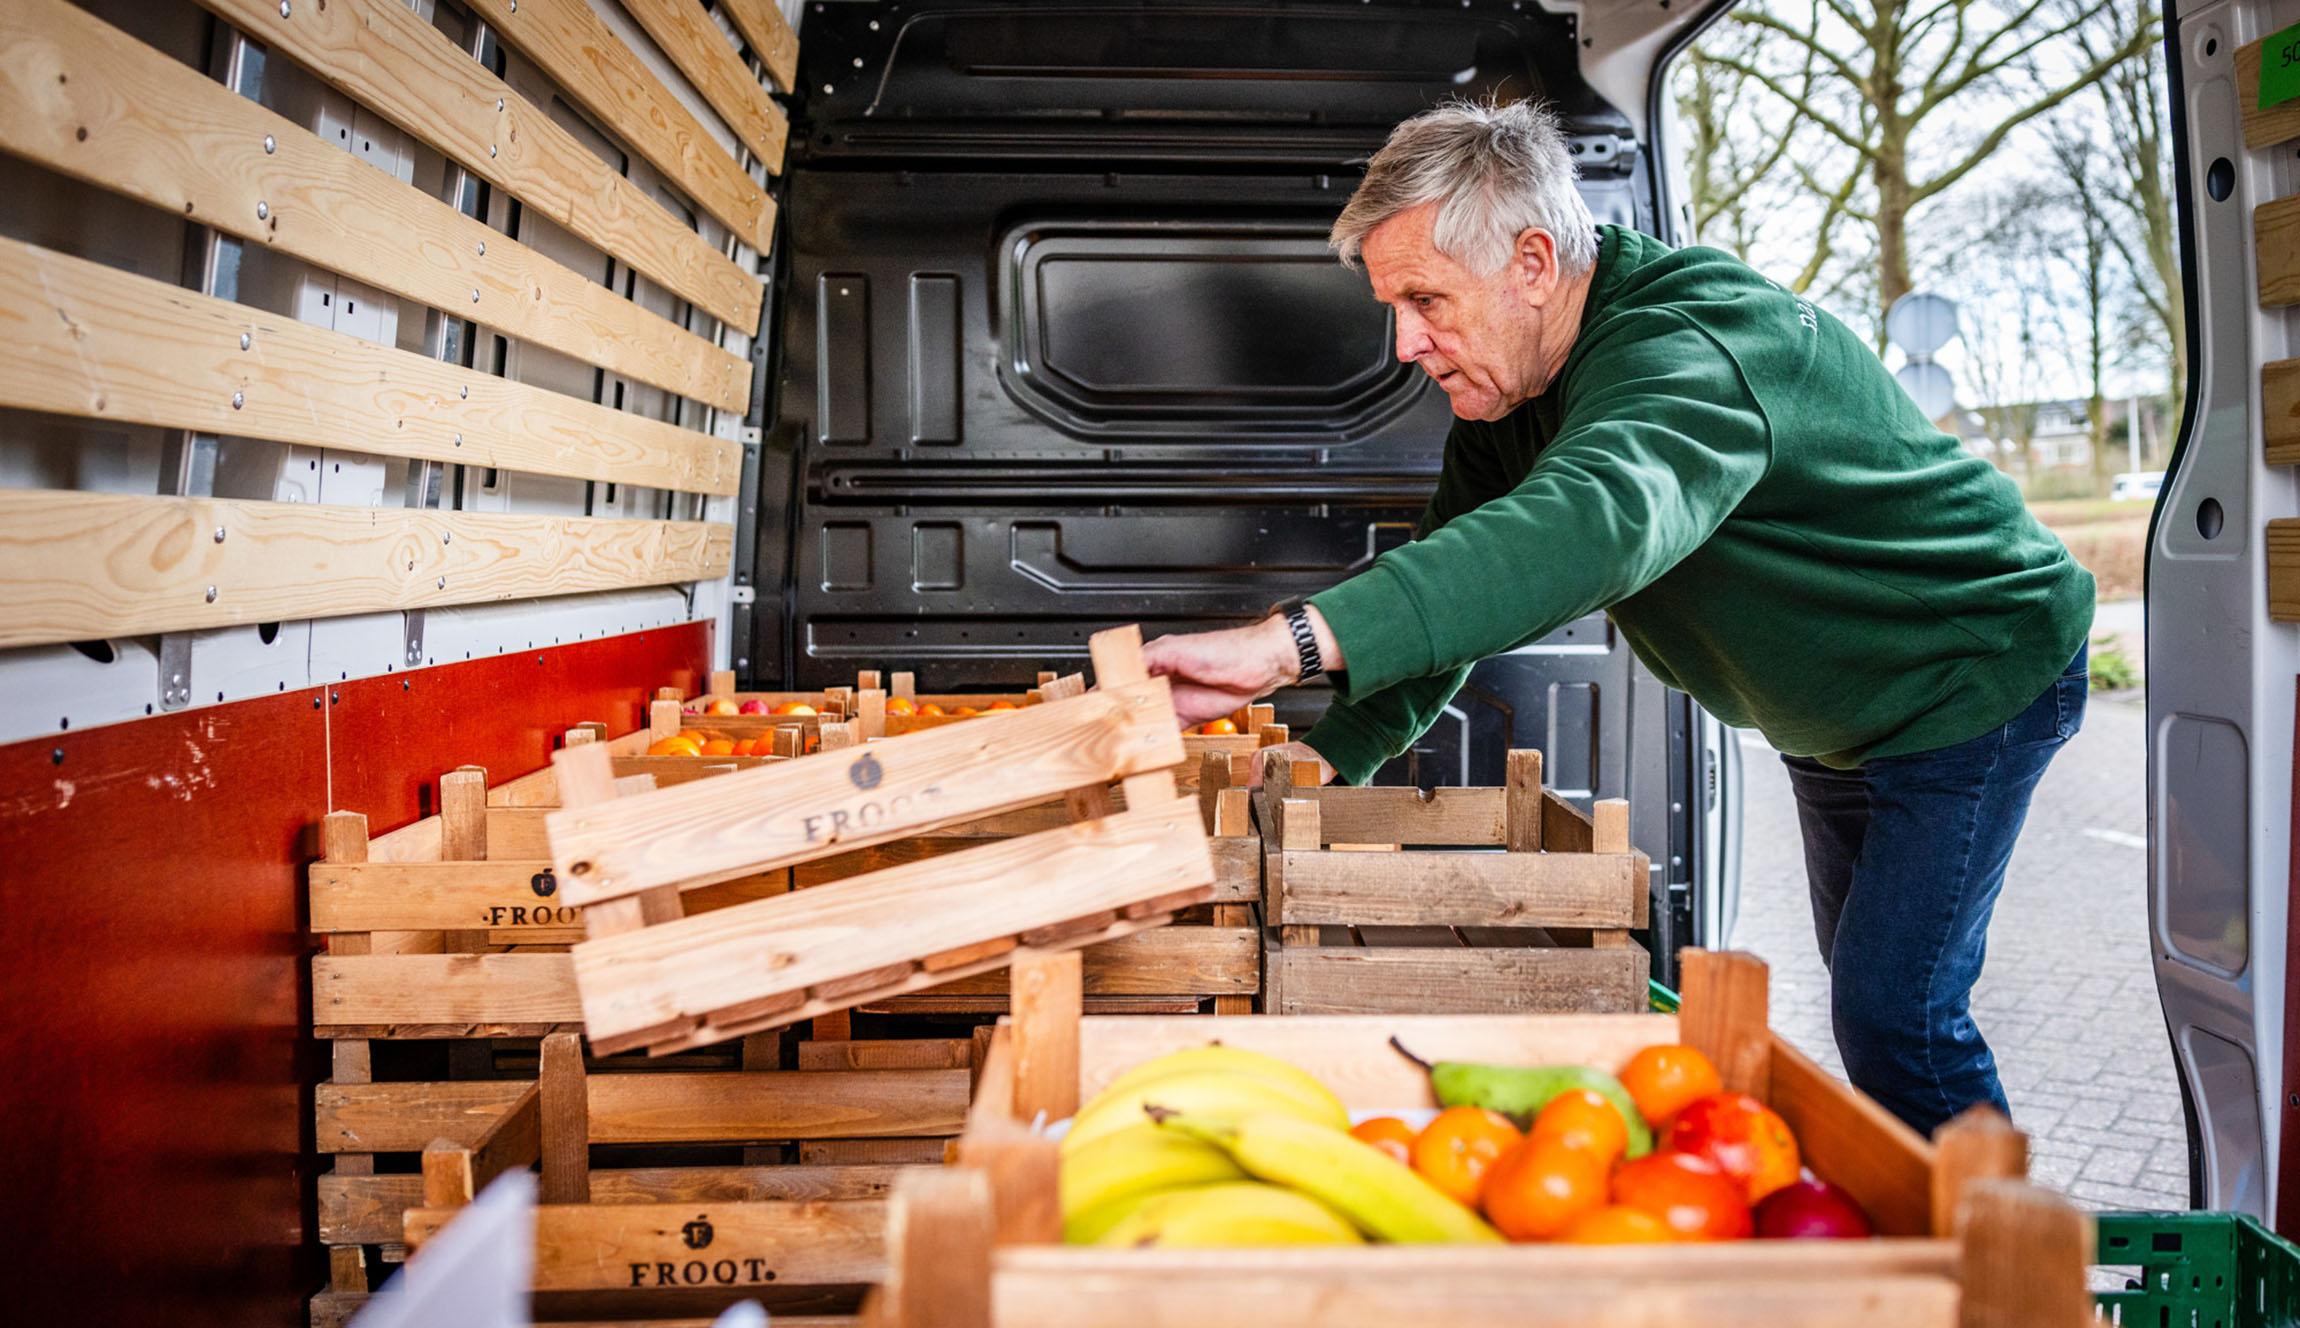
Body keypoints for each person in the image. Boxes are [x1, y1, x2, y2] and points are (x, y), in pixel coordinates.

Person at [1139, 98, 2093, 1138]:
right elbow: (1459, 584)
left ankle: (2019, 1273)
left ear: (1533, 263)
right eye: (1391, 305)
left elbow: (1587, 520)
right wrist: (1326, 769)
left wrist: (1289, 642)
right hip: (1832, 716)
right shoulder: (1508, 394)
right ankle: (1938, 1237)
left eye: (1424, 298)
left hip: (1967, 672)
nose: (1405, 342)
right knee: (1868, 986)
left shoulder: (1691, 342)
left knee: (1894, 1016)